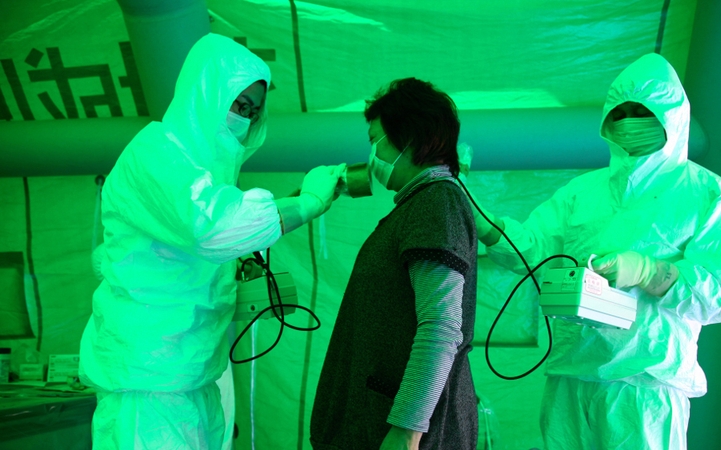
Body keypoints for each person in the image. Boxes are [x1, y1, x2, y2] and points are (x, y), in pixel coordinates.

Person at [463, 53, 721, 449]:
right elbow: (530, 247)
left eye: (644, 111)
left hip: (646, 386)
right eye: (622, 111)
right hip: (572, 377)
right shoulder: (582, 193)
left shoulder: (710, 197)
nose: (631, 121)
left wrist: (651, 273)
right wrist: (487, 226)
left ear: (672, 116)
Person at [79, 33, 343, 449]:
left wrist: (235, 271)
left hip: (193, 373)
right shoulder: (157, 154)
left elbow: (184, 252)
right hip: (149, 384)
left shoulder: (203, 174)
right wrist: (307, 203)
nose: (244, 118)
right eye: (238, 104)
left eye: (253, 111)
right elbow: (214, 228)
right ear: (206, 92)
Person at [310, 78, 479, 450]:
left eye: (375, 141)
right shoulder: (417, 206)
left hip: (408, 434)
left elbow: (440, 326)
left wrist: (407, 430)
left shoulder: (436, 202)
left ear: (410, 137)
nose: (371, 155)